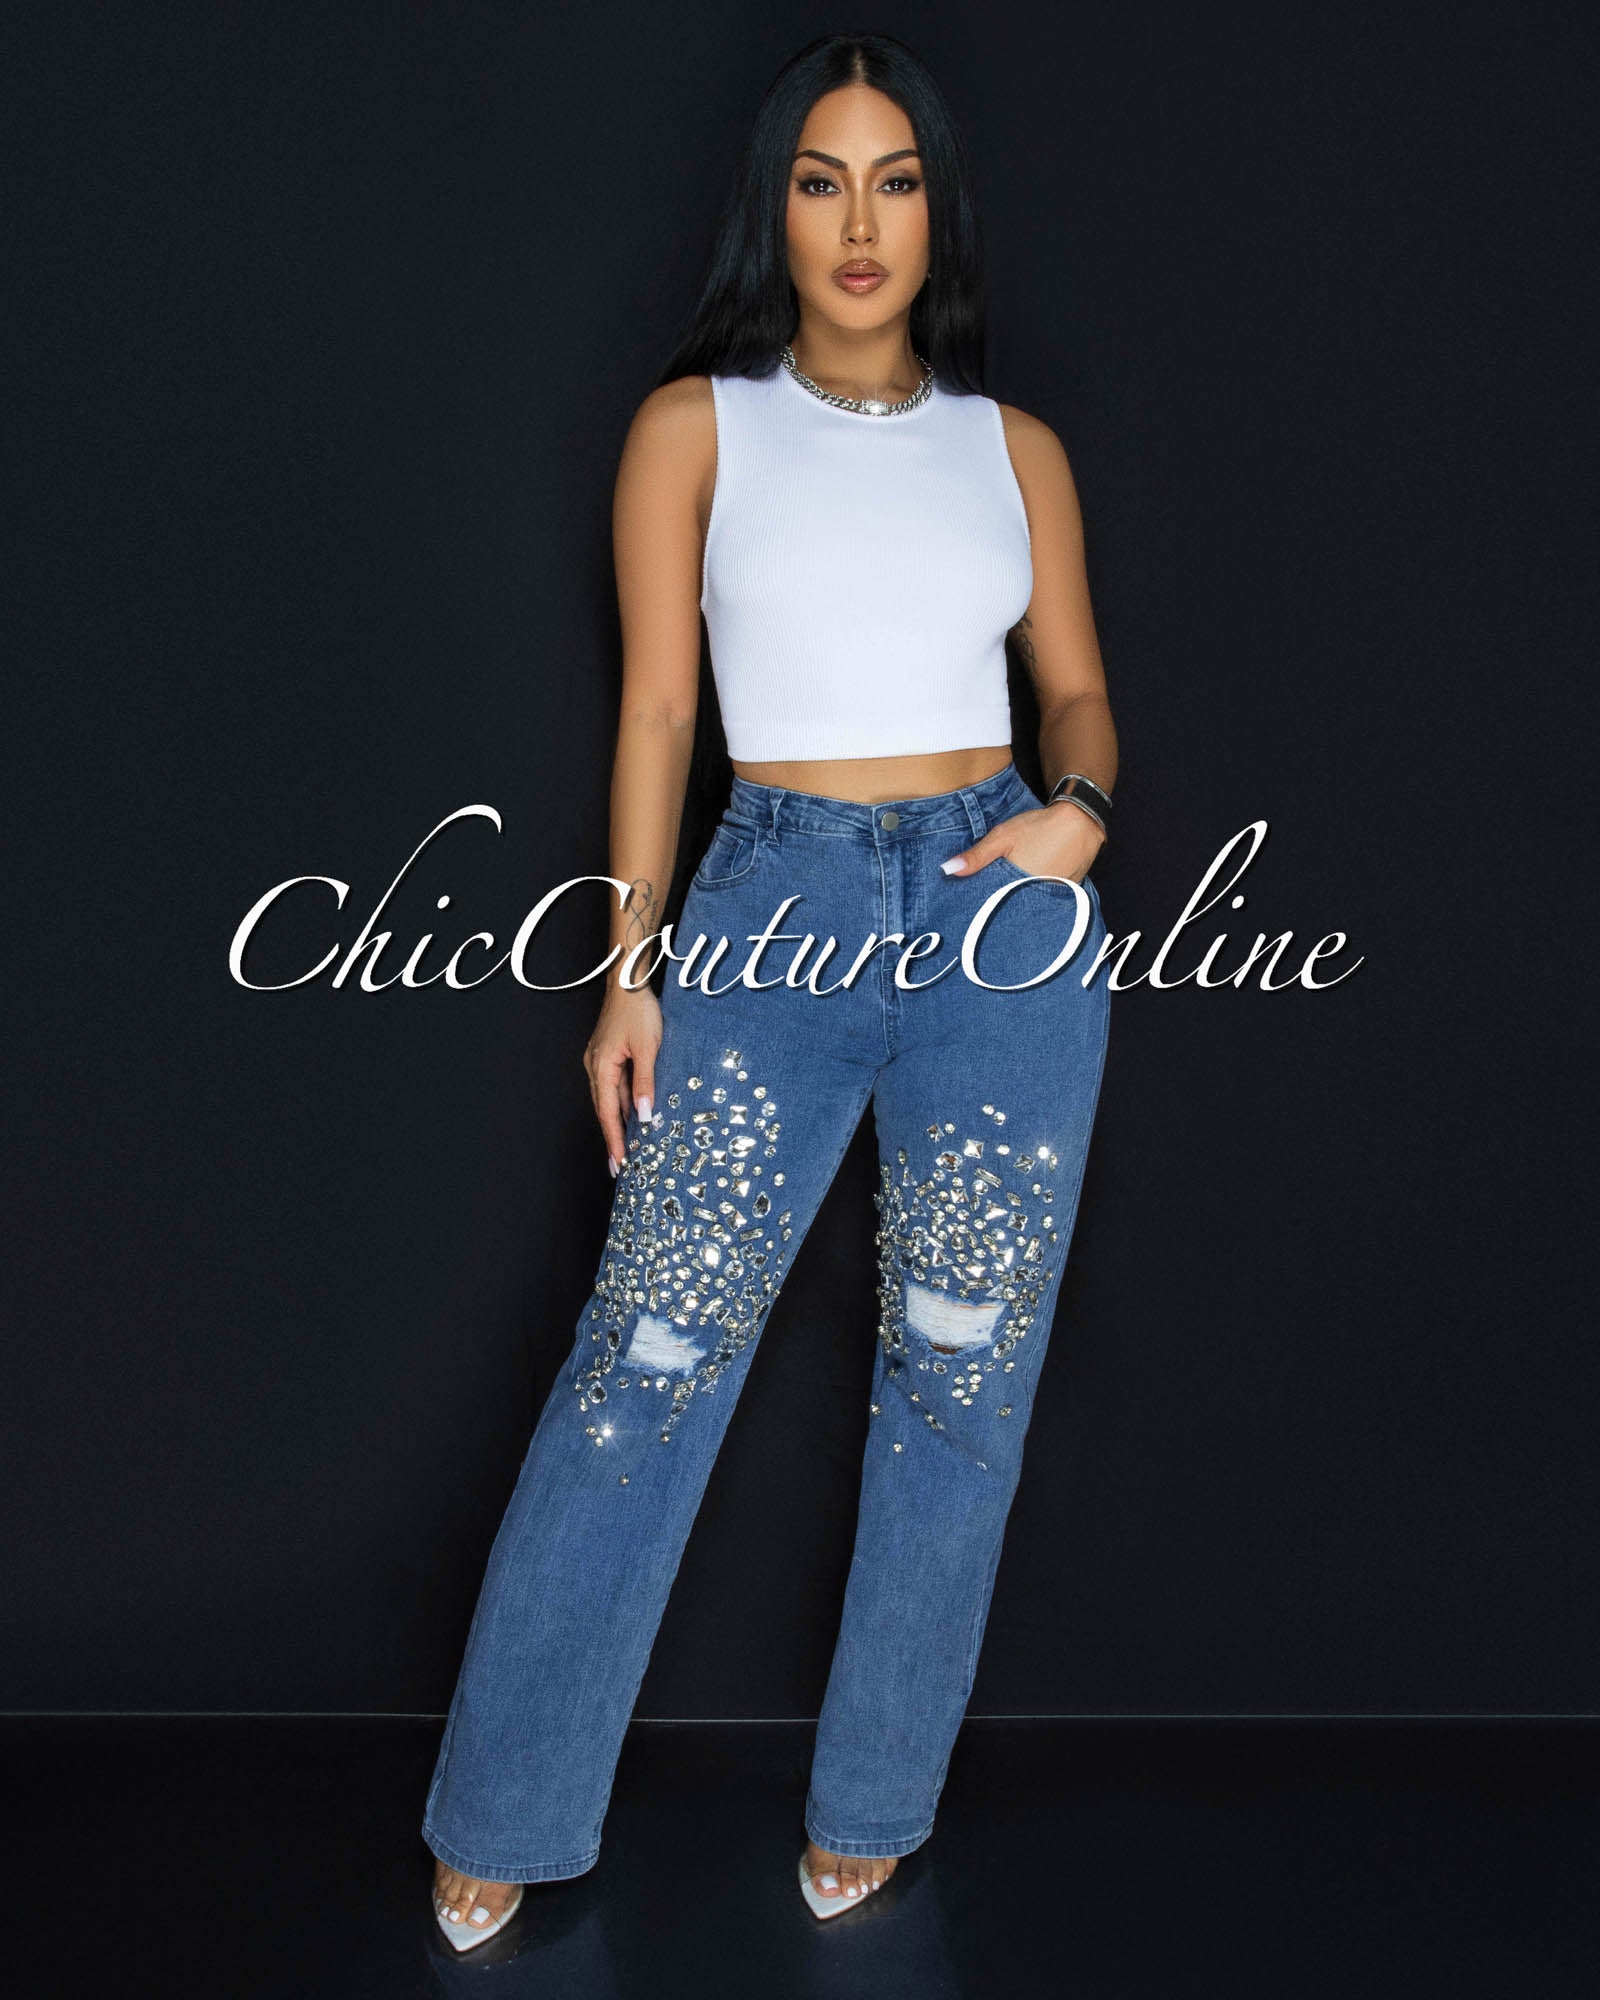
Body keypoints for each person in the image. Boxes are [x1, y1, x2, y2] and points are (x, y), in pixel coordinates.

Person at [425, 30, 1117, 1949]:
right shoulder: (697, 426)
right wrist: (628, 975)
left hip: (999, 918)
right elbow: (659, 710)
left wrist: (1079, 816)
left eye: (896, 180)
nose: (860, 222)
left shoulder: (1015, 449)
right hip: (770, 909)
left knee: (960, 1381)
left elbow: (1075, 687)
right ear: (778, 211)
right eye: (823, 181)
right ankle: (508, 1802)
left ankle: (877, 1796)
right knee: (646, 1360)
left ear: (936, 211)